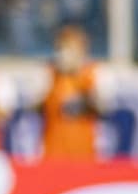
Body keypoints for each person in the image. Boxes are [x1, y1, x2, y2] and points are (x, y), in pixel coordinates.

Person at [38, 24, 109, 159]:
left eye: (71, 48)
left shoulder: (94, 73)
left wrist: (79, 78)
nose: (65, 54)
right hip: (53, 153)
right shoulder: (49, 73)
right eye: (61, 48)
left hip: (86, 154)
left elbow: (103, 107)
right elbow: (36, 105)